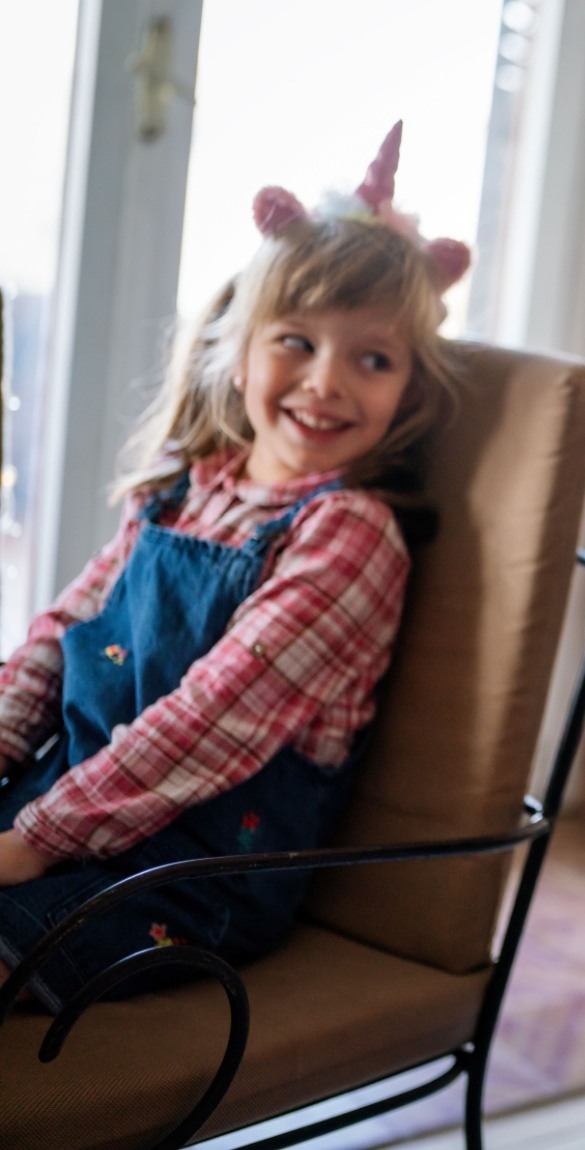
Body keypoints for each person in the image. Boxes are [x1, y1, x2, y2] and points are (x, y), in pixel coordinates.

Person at [0, 123, 470, 1012]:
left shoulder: (351, 537)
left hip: (187, 875)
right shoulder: (179, 494)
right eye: (297, 340)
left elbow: (211, 719)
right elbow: (59, 636)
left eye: (372, 359)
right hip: (68, 809)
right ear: (241, 347)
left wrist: (33, 840)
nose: (327, 382)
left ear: (408, 389)